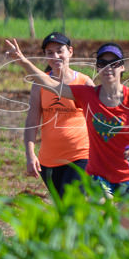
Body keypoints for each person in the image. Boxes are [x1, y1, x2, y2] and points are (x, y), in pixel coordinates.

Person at [5, 39, 129, 198]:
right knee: (99, 218)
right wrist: (22, 61)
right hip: (99, 176)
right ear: (97, 68)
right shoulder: (87, 95)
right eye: (102, 63)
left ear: (122, 66)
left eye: (114, 63)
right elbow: (51, 84)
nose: (108, 68)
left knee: (128, 222)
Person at [20, 31, 94, 199]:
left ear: (70, 52)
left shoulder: (84, 82)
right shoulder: (39, 84)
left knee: (71, 205)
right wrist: (30, 154)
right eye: (50, 53)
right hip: (49, 161)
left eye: (60, 50)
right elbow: (32, 121)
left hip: (80, 156)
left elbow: (97, 121)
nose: (56, 56)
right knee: (64, 210)